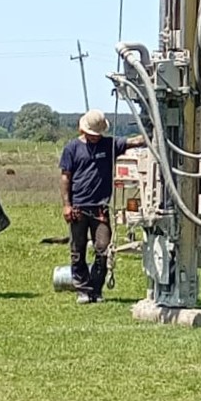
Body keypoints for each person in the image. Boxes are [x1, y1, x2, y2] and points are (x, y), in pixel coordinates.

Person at [59, 109, 144, 304]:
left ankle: (96, 289)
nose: (95, 138)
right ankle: (82, 289)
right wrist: (67, 205)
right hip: (79, 206)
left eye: (97, 134)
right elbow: (65, 178)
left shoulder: (110, 144)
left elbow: (134, 141)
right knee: (77, 249)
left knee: (103, 248)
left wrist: (152, 134)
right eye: (91, 134)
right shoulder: (71, 148)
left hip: (100, 207)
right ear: (83, 130)